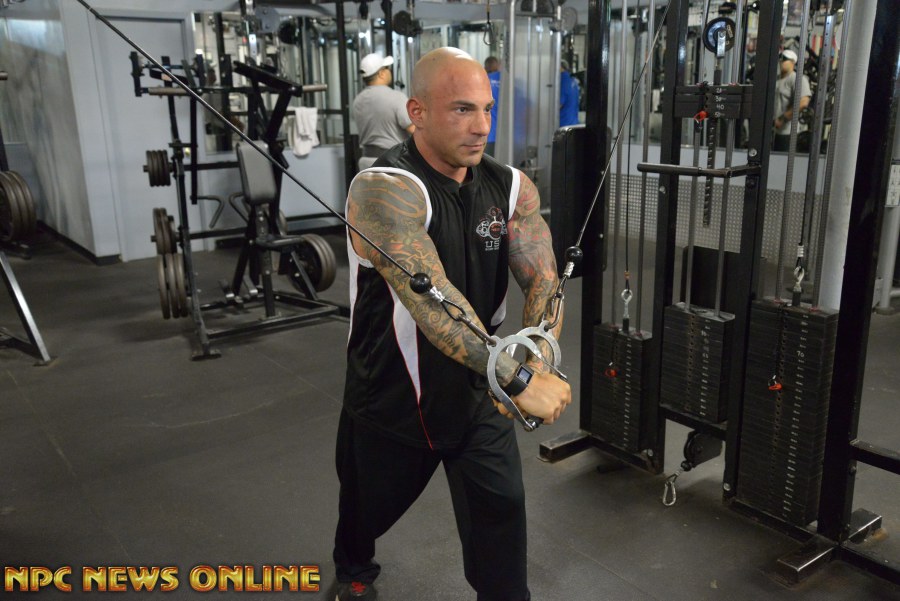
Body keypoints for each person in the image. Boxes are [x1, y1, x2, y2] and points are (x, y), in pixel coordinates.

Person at [333, 47, 572, 601]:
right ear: (416, 112)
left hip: (477, 390)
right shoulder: (383, 189)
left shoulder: (510, 187)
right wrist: (518, 378)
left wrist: (536, 358)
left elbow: (544, 281)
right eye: (463, 109)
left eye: (487, 109)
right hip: (392, 394)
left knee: (503, 508)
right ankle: (353, 571)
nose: (482, 127)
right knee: (364, 514)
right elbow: (432, 303)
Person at [351, 52, 415, 170]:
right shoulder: (396, 97)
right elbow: (414, 130)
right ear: (381, 73)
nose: (389, 71)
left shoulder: (358, 101)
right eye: (387, 68)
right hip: (393, 162)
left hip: (366, 163)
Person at [772, 48, 811, 152]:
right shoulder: (776, 79)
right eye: (780, 58)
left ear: (793, 62)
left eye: (785, 58)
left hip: (789, 133)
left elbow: (803, 102)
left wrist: (783, 119)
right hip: (775, 132)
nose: (781, 61)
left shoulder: (797, 79)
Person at [484, 56, 501, 156]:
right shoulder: (508, 80)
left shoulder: (483, 81)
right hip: (509, 137)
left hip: (488, 135)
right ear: (498, 66)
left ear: (485, 68)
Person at [559, 59, 581, 127]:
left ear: (560, 68)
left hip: (564, 123)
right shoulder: (573, 81)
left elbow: (559, 104)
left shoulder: (562, 81)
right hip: (574, 122)